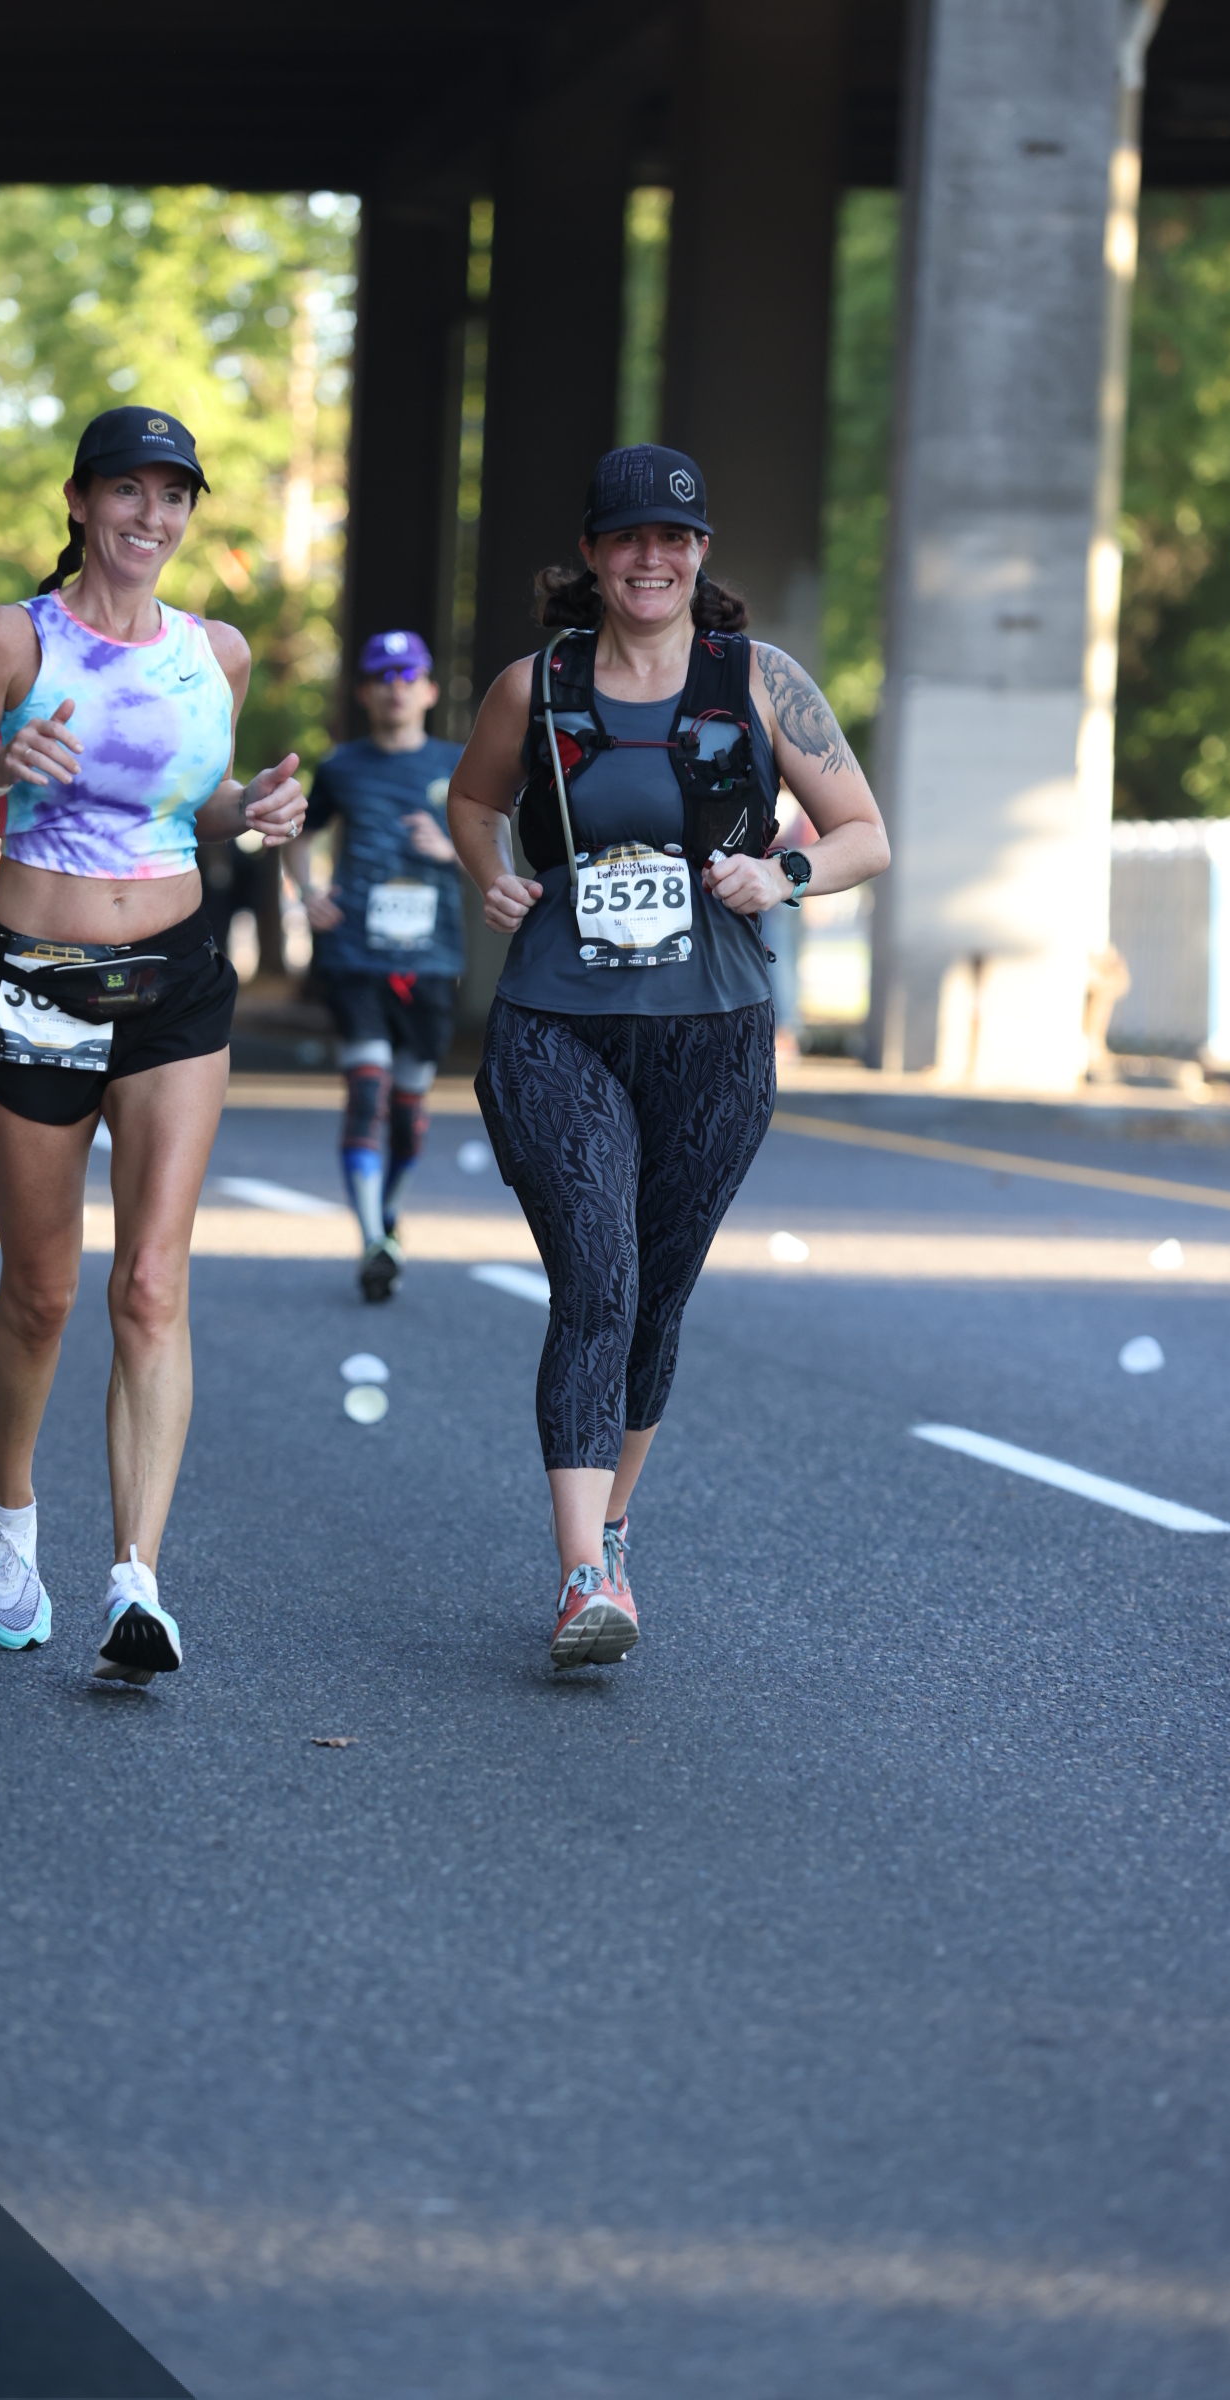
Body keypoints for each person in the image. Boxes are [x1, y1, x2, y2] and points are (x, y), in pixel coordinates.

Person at [447, 444, 889, 1669]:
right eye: (627, 537)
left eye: (674, 537)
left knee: (654, 1293)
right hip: (556, 1022)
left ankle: (613, 1527)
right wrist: (493, 874)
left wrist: (781, 873)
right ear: (592, 555)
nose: (651, 558)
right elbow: (474, 802)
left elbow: (863, 834)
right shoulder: (535, 687)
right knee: (596, 1279)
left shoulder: (761, 681)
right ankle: (583, 1576)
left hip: (715, 1032)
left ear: (700, 553)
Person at [0, 406, 305, 1681]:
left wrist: (258, 808)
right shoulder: (11, 639)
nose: (151, 517)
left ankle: (137, 1579)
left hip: (176, 985)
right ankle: (9, 1510)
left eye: (172, 496)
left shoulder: (215, 652)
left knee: (152, 1284)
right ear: (80, 502)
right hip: (38, 983)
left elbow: (194, 803)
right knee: (44, 1294)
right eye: (127, 491)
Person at [287, 630, 465, 1301]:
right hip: (356, 953)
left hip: (431, 957)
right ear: (365, 692)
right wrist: (308, 893)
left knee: (408, 1105)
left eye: (408, 675)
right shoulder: (341, 767)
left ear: (429, 689)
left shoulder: (458, 764)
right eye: (382, 677)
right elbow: (301, 836)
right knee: (367, 1091)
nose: (396, 688)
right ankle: (370, 1240)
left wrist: (449, 848)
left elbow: (498, 838)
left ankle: (387, 1215)